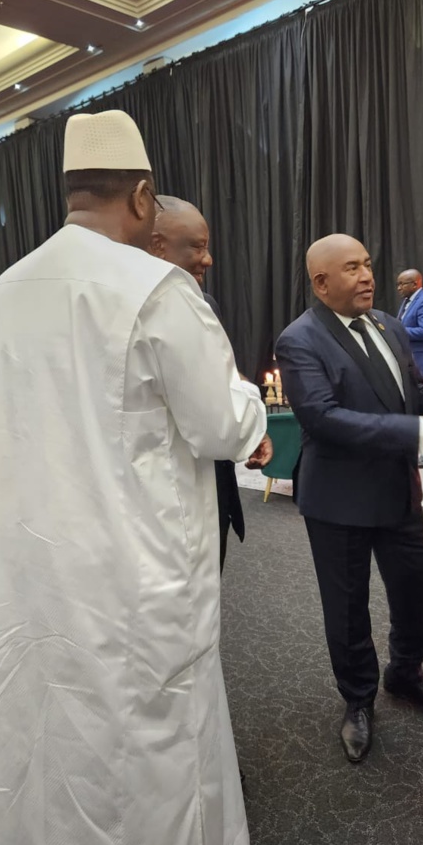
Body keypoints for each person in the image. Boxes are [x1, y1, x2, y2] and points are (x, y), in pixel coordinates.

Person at [0, 110, 268, 845]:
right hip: (132, 570)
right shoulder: (155, 289)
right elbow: (221, 425)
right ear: (141, 197)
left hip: (27, 569)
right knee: (144, 742)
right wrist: (248, 394)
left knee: (42, 726)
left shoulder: (0, 293)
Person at [275, 233, 423, 765]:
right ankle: (358, 699)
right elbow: (325, 419)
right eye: (352, 268)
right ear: (321, 283)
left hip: (398, 491)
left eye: (367, 264)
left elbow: (414, 391)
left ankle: (405, 673)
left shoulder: (388, 325)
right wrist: (421, 432)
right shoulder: (299, 340)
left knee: (413, 590)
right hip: (338, 501)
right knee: (347, 608)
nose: (367, 276)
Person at [150, 195, 272, 572]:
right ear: (157, 245)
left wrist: (253, 431)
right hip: (165, 505)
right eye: (198, 247)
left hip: (214, 489)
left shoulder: (205, 303)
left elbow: (222, 374)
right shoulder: (130, 311)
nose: (208, 259)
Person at [396, 268, 423, 384]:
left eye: (402, 284)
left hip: (421, 365)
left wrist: (398, 330)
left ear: (414, 284)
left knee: (422, 396)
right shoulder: (408, 300)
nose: (399, 288)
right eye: (398, 284)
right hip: (409, 363)